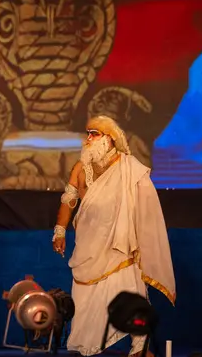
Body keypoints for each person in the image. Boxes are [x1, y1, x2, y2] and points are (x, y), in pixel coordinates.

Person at [52, 115, 176, 357]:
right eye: (87, 133)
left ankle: (140, 348)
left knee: (130, 291)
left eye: (94, 134)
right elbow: (68, 202)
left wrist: (142, 237)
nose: (88, 139)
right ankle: (86, 347)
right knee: (85, 298)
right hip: (88, 246)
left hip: (121, 245)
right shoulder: (80, 168)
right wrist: (59, 231)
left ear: (109, 139)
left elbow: (145, 207)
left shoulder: (130, 168)